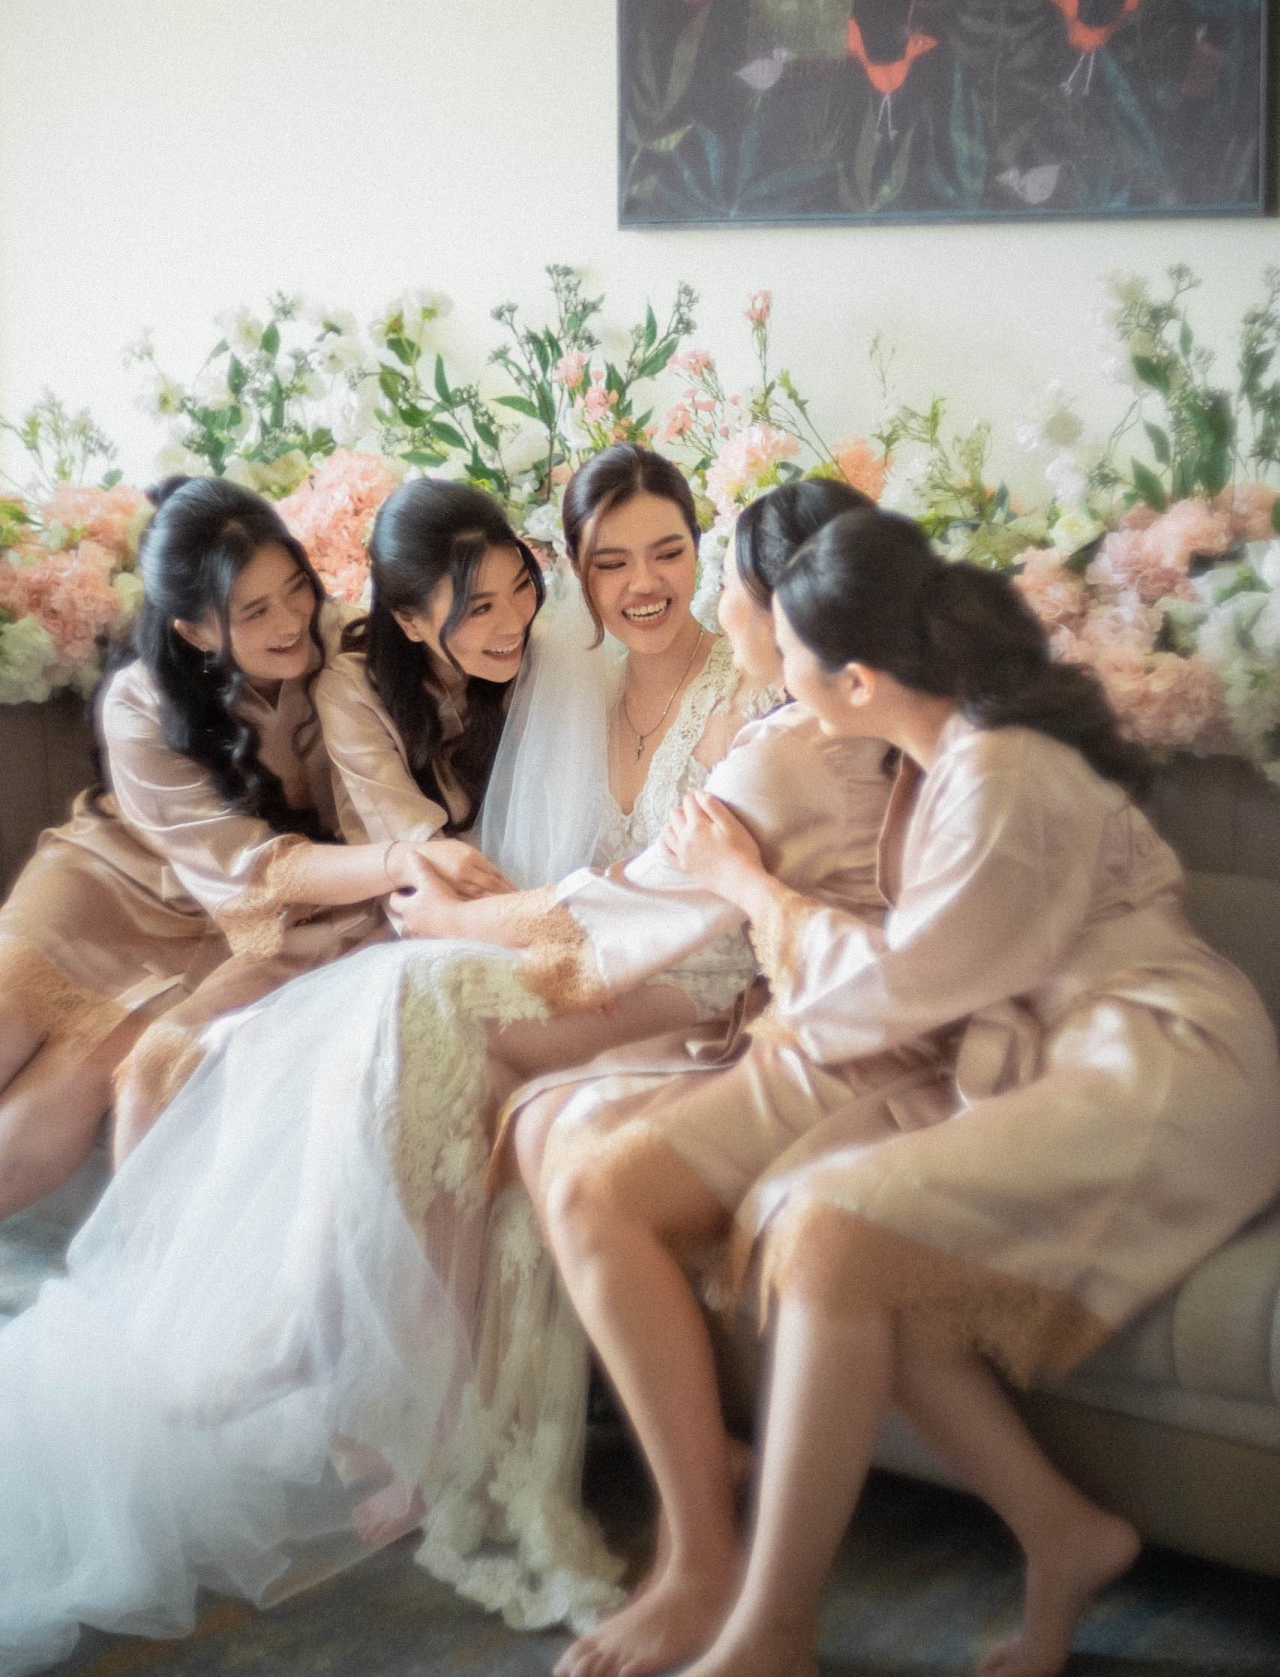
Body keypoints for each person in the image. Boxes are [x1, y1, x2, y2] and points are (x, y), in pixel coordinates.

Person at [0, 450, 829, 1676]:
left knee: (409, 994)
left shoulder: (743, 698)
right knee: (372, 1005)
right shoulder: (576, 674)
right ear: (578, 570)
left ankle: (359, 1374)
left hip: (679, 977)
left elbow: (666, 900)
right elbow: (471, 853)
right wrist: (464, 914)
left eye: (668, 551)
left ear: (706, 558)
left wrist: (472, 921)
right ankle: (359, 1366)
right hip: (533, 947)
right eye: (608, 561)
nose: (641, 582)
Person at [533, 509, 1280, 1677]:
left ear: (858, 679)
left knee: (828, 1231)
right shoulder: (955, 756)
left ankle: (769, 1634)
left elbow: (893, 988)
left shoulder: (1000, 775)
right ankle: (1060, 1532)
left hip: (1160, 1064)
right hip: (1057, 1050)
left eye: (787, 653)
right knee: (836, 1240)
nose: (774, 677)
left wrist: (750, 886)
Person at [0, 477, 439, 1212]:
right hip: (113, 880)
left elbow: (268, 882)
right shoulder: (139, 702)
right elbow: (253, 866)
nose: (291, 621)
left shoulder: (349, 649)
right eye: (255, 611)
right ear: (196, 632)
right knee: (9, 1005)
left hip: (245, 923)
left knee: (69, 1087)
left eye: (297, 589)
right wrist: (400, 861)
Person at [313, 477, 545, 895]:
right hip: (425, 905)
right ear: (409, 621)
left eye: (521, 585)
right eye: (480, 608)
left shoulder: (541, 657)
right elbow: (424, 859)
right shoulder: (353, 694)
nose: (514, 623)